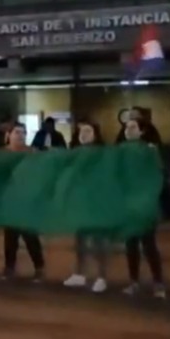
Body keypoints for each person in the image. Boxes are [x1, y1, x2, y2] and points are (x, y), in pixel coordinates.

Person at [121, 117, 166, 299]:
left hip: (145, 204)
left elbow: (157, 175)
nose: (129, 130)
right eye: (127, 127)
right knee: (130, 245)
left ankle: (158, 283)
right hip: (128, 205)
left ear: (141, 131)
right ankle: (133, 281)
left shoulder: (150, 150)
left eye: (133, 127)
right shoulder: (120, 151)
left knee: (149, 245)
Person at [63, 121, 110, 293]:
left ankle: (102, 277)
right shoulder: (74, 154)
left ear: (95, 134)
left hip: (97, 204)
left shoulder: (103, 154)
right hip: (80, 203)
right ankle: (80, 274)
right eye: (81, 131)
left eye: (88, 131)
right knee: (80, 240)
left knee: (98, 242)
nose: (84, 134)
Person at [0, 123, 45, 282]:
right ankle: (9, 267)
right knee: (10, 237)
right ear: (9, 135)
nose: (20, 136)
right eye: (17, 132)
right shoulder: (1, 154)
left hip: (28, 201)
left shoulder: (33, 153)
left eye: (23, 133)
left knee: (31, 236)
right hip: (9, 202)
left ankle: (39, 268)